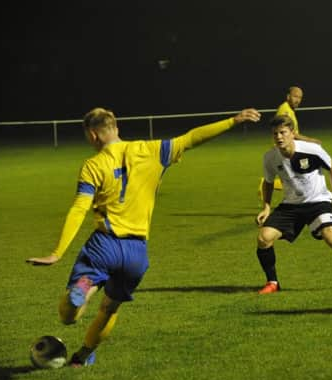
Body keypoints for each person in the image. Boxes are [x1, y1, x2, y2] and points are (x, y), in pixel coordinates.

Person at [27, 106, 261, 366]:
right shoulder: (152, 150)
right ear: (115, 128)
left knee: (69, 315)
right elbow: (192, 137)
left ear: (93, 136)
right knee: (109, 309)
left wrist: (57, 252)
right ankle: (83, 356)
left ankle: (83, 288)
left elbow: (79, 207)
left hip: (105, 245)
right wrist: (233, 120)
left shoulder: (93, 165)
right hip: (136, 252)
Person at [255, 114, 332, 294]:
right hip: (291, 205)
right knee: (264, 238)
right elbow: (268, 181)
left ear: (292, 133)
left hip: (318, 201)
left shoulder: (312, 150)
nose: (279, 137)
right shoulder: (270, 157)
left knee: (331, 236)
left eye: (283, 132)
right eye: (275, 134)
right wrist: (266, 207)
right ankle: (272, 283)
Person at [258, 86, 321, 202]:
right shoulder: (285, 110)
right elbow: (291, 133)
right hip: (283, 150)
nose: (298, 100)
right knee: (296, 178)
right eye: (295, 96)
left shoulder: (290, 110)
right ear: (288, 96)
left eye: (300, 97)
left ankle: (299, 200)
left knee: (294, 178)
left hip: (290, 150)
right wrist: (310, 140)